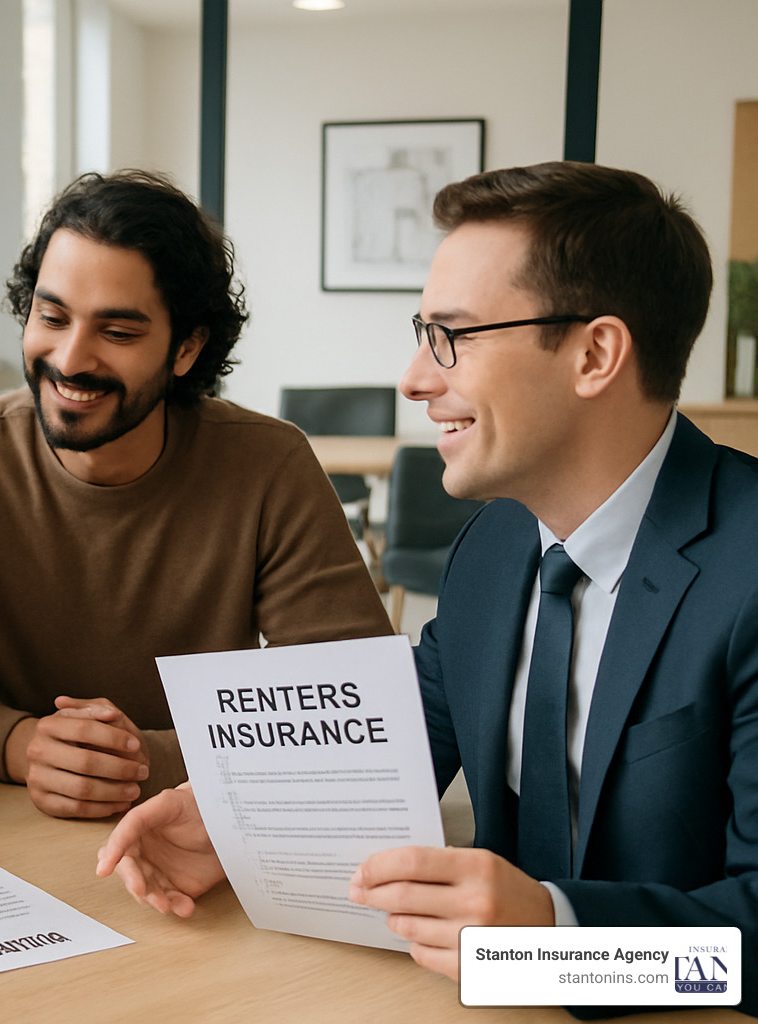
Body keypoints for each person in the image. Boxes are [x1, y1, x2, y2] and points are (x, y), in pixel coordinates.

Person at [97, 161, 758, 1016]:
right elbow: (402, 737)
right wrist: (241, 823)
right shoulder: (495, 543)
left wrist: (557, 941)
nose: (414, 378)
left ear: (595, 354)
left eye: (454, 335)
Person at [0, 170, 392, 820]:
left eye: (119, 333)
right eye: (51, 317)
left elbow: (351, 702)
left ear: (187, 348)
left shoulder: (268, 465)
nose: (71, 359)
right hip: (24, 818)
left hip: (220, 820)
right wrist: (22, 746)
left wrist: (147, 759)